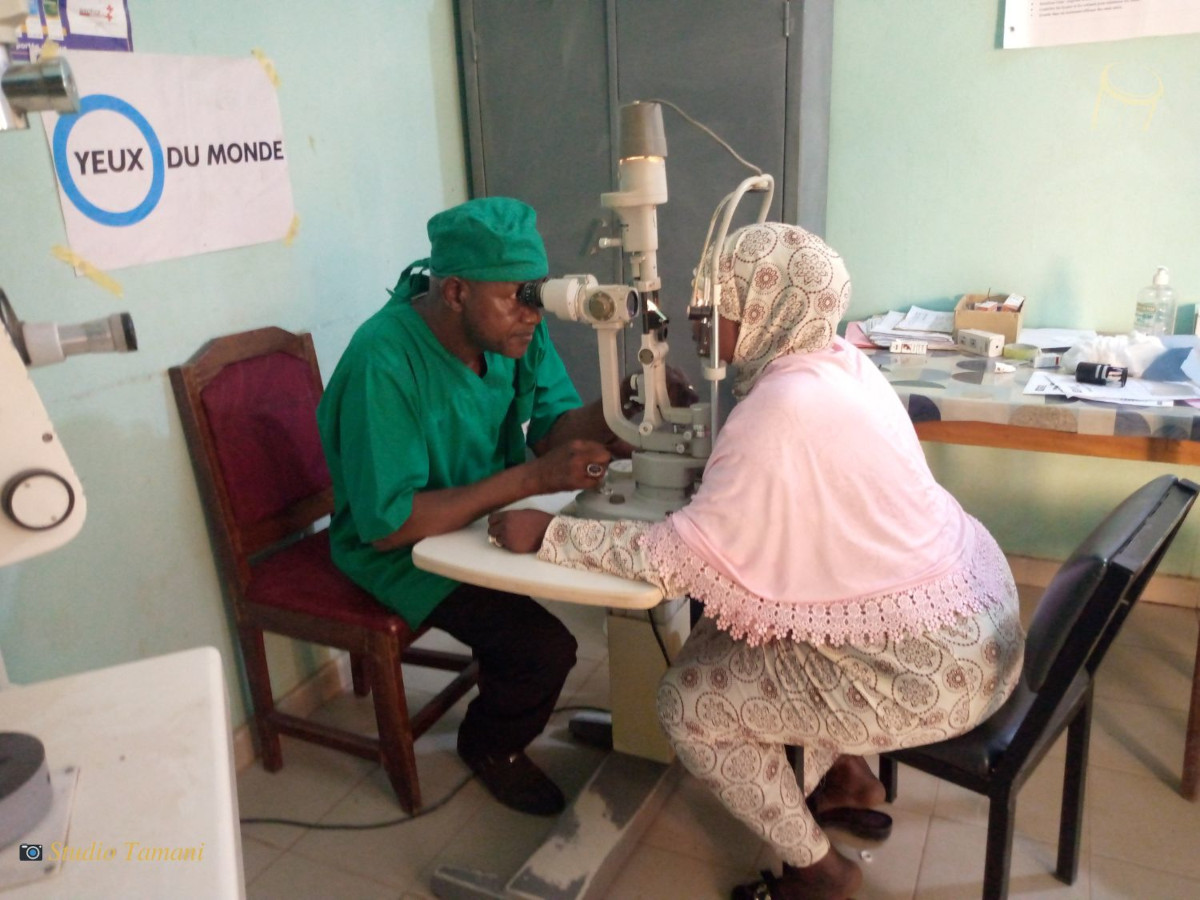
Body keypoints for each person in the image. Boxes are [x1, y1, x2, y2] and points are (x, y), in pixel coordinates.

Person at [488, 222, 1026, 898]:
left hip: (930, 673)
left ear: (767, 307)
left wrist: (549, 534)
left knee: (688, 703)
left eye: (715, 302)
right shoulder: (840, 363)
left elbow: (674, 562)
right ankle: (845, 776)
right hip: (976, 624)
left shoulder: (781, 406)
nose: (693, 316)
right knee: (737, 621)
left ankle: (817, 871)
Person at [317, 196, 627, 817]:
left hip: (475, 516)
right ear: (455, 291)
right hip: (402, 546)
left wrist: (625, 404)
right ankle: (490, 745)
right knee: (541, 651)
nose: (531, 315)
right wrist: (529, 479)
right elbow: (390, 524)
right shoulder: (385, 360)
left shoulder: (513, 334)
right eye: (515, 296)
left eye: (536, 296)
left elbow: (551, 430)